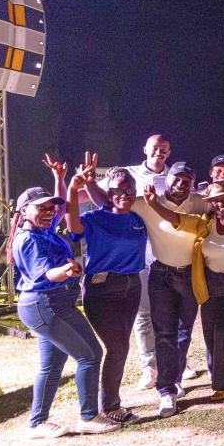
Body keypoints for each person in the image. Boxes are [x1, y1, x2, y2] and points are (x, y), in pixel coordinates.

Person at [85, 159, 209, 418]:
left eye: (187, 180)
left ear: (193, 184)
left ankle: (175, 378)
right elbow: (109, 200)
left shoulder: (199, 203)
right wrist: (87, 183)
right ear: (168, 179)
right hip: (161, 275)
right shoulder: (145, 201)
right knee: (164, 333)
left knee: (184, 332)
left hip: (191, 275)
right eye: (177, 178)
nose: (181, 184)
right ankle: (167, 390)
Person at [13, 164, 119, 438]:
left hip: (43, 303)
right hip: (47, 303)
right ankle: (88, 417)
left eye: (51, 208)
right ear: (23, 210)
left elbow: (62, 209)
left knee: (52, 366)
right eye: (42, 208)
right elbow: (46, 273)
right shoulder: (30, 239)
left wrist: (60, 180)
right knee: (90, 355)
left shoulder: (43, 229)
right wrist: (66, 270)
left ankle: (37, 423)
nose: (50, 212)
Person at [144, 181, 224, 401]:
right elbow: (177, 220)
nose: (221, 203)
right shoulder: (203, 223)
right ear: (211, 203)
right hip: (211, 288)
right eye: (217, 200)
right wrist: (154, 204)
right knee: (210, 337)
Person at [67, 165, 148, 426]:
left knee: (120, 348)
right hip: (102, 290)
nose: (124, 194)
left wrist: (95, 187)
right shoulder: (94, 218)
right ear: (108, 192)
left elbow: (119, 199)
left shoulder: (137, 218)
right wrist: (73, 188)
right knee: (118, 347)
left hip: (132, 287)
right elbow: (73, 228)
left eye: (129, 190)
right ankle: (110, 407)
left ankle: (110, 401)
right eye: (118, 190)